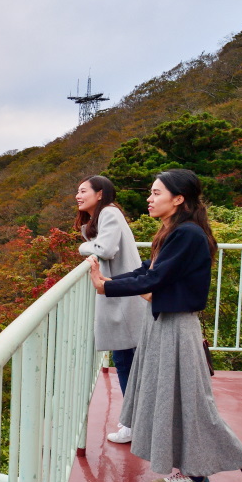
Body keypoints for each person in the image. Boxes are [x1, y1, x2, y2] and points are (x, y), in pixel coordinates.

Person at [87, 169, 242, 482]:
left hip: (177, 328)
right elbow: (148, 268)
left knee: (198, 409)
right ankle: (195, 476)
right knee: (174, 403)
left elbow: (154, 278)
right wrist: (111, 281)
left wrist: (107, 287)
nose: (149, 198)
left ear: (179, 198)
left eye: (156, 193)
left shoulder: (188, 234)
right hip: (163, 325)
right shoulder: (173, 232)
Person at [74, 176, 146, 444]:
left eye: (83, 191)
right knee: (126, 360)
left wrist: (83, 247)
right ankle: (135, 420)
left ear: (99, 193)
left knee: (126, 361)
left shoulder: (110, 213)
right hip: (120, 295)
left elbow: (105, 249)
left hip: (123, 298)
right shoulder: (104, 216)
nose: (78, 196)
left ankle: (132, 423)